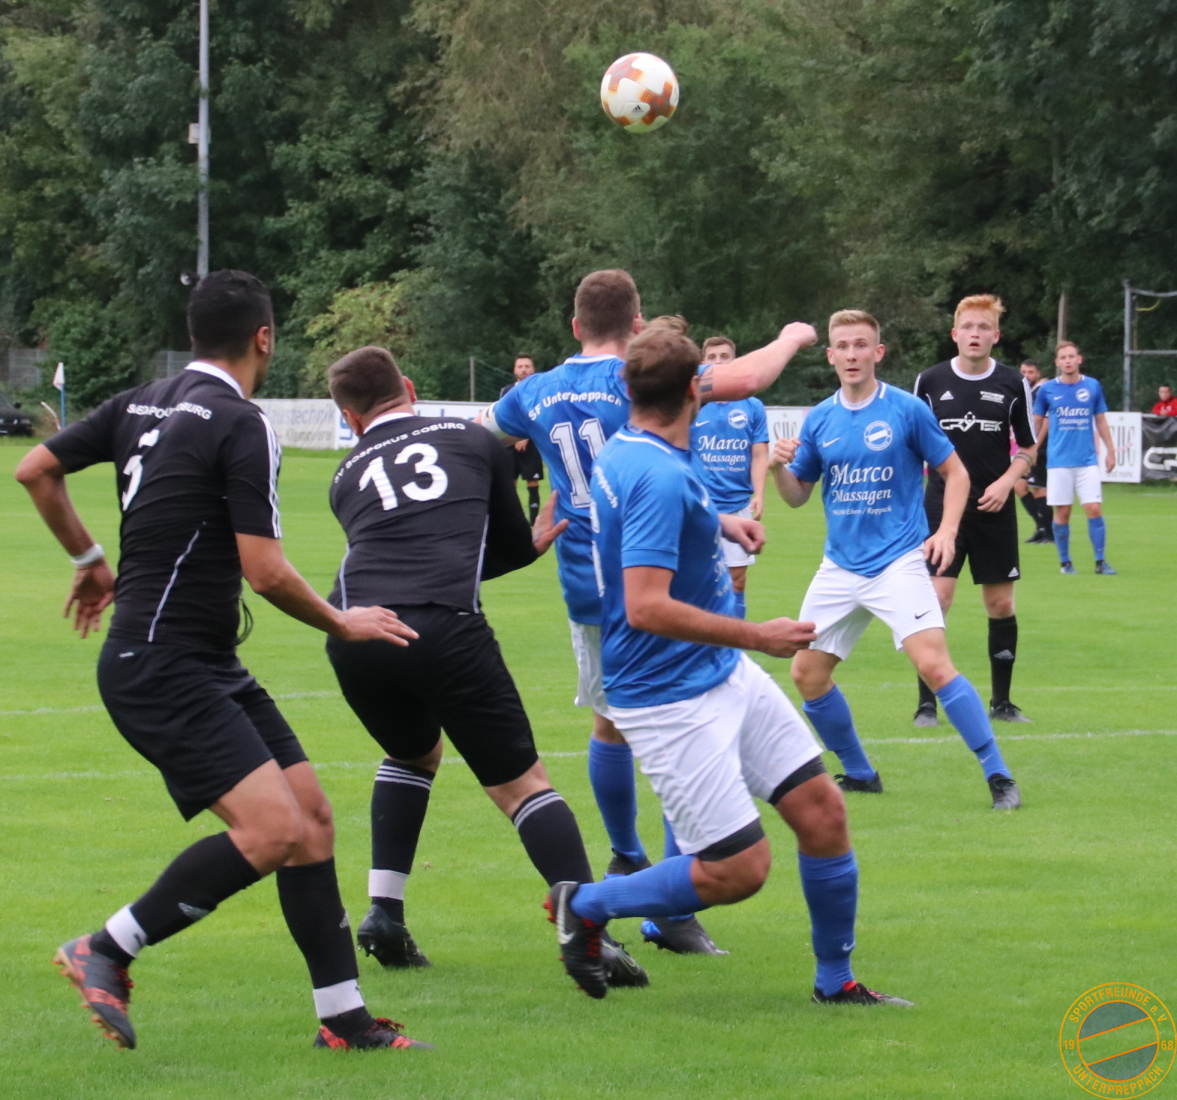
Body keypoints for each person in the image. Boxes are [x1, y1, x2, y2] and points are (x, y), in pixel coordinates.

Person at [14, 270, 429, 1052]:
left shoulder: (141, 401)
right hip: (162, 663)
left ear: (194, 335)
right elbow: (264, 571)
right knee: (272, 830)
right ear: (263, 338)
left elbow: (34, 469)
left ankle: (343, 1019)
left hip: (196, 657)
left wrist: (90, 560)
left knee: (310, 817)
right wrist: (341, 622)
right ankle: (106, 947)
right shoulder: (242, 422)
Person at [544, 325, 911, 1009]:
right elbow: (645, 606)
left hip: (716, 673)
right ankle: (585, 905)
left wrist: (716, 521)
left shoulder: (633, 445)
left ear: (629, 390)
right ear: (695, 391)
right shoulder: (655, 472)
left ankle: (835, 982)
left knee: (823, 811)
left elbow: (659, 510)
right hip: (666, 695)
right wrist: (757, 636)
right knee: (738, 870)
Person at [480, 269, 817, 954]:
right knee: (686, 720)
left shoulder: (535, 390)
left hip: (587, 583)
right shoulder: (635, 378)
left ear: (575, 326)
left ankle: (627, 858)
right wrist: (792, 336)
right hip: (658, 582)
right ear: (637, 326)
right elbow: (748, 378)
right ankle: (666, 899)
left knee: (611, 723)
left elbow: (479, 437)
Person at [322, 345, 646, 989]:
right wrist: (534, 542)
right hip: (445, 626)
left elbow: (400, 550)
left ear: (350, 418)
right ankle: (591, 935)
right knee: (523, 786)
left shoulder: (344, 474)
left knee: (412, 753)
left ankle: (385, 911)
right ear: (409, 387)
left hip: (355, 633)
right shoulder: (473, 441)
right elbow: (499, 548)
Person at [770, 310, 1021, 810]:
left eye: (861, 345)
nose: (852, 354)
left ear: (878, 352)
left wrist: (946, 531)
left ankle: (999, 777)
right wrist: (778, 468)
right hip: (839, 566)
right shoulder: (819, 419)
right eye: (843, 346)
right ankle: (861, 774)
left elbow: (956, 473)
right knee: (806, 675)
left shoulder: (906, 409)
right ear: (831, 356)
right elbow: (797, 496)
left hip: (898, 562)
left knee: (934, 666)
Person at [910, 296, 1038, 728]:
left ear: (995, 336)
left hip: (994, 508)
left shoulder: (1012, 383)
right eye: (968, 327)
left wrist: (1007, 481)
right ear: (955, 334)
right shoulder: (930, 381)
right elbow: (912, 446)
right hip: (941, 509)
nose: (975, 334)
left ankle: (1002, 703)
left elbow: (1028, 448)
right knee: (936, 600)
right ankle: (926, 704)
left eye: (984, 327)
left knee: (1000, 604)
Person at [691, 336, 770, 619]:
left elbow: (759, 455)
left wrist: (759, 494)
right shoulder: (692, 402)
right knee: (697, 580)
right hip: (699, 506)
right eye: (712, 357)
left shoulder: (752, 406)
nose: (719, 362)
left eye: (725, 356)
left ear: (734, 361)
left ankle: (733, 638)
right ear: (703, 363)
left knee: (737, 581)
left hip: (738, 506)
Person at [1032, 341, 1118, 575]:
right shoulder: (1048, 389)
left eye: (1071, 356)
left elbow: (1100, 420)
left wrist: (1111, 450)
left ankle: (1100, 561)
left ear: (1079, 359)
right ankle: (1065, 563)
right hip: (1058, 462)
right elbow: (1037, 421)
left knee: (1093, 508)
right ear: (1057, 362)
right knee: (1063, 512)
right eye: (1063, 357)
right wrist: (1030, 450)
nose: (1068, 361)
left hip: (1086, 460)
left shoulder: (1092, 386)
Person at [499, 354, 545, 523]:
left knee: (533, 483)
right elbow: (502, 417)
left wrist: (525, 436)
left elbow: (539, 415)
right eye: (520, 366)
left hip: (531, 443)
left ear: (533, 370)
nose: (524, 369)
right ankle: (513, 521)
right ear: (515, 370)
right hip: (510, 443)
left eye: (527, 366)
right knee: (509, 485)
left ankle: (533, 522)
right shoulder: (506, 391)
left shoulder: (539, 390)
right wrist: (514, 437)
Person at [1014, 360, 1055, 544]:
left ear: (1038, 374)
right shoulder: (1027, 392)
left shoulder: (1041, 391)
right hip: (1030, 448)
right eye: (1023, 371)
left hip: (1041, 448)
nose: (1026, 375)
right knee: (1019, 486)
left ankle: (1049, 533)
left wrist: (1036, 447)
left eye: (1030, 372)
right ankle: (1041, 527)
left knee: (1039, 489)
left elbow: (1046, 420)